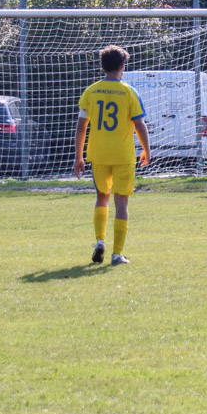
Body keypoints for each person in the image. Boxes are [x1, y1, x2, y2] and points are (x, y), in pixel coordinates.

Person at [74, 45, 150, 266]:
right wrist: (147, 150)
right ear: (121, 66)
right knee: (122, 203)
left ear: (103, 65)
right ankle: (117, 254)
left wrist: (78, 157)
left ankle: (100, 240)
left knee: (102, 197)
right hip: (123, 155)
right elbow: (139, 124)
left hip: (98, 154)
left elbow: (81, 127)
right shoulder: (129, 91)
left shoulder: (91, 91)